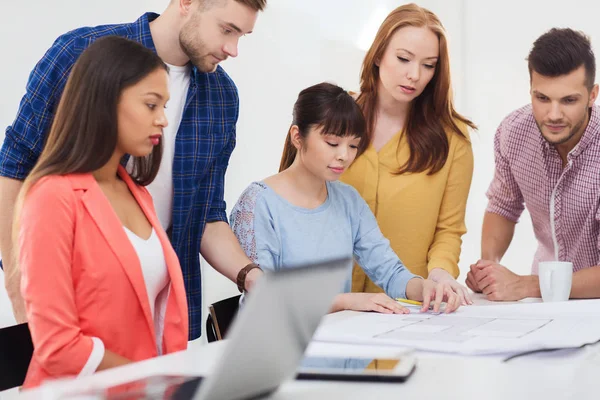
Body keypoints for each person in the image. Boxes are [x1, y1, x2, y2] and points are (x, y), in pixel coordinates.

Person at [0, 0, 267, 339]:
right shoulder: (79, 53)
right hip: (79, 311)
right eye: (227, 30)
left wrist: (249, 275)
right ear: (187, 3)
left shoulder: (222, 96)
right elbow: (14, 167)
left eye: (242, 35)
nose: (233, 49)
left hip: (166, 317)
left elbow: (207, 213)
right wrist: (17, 289)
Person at [15, 36, 188, 388]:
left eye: (164, 107)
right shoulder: (52, 198)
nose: (162, 121)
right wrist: (153, 381)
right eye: (151, 105)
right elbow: (58, 347)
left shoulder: (139, 194)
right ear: (105, 102)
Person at [230, 82, 461, 314]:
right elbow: (266, 297)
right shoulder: (258, 204)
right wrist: (346, 301)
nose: (344, 156)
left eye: (353, 145)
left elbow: (389, 271)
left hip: (338, 340)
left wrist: (425, 288)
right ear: (297, 137)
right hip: (280, 346)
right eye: (332, 143)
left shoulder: (348, 200)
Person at [340, 3, 476, 305]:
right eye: (403, 59)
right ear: (378, 54)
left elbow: (448, 230)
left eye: (429, 65)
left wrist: (440, 273)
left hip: (407, 308)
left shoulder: (453, 139)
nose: (414, 75)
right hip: (331, 308)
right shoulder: (334, 119)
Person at [466, 28, 600, 301]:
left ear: (592, 95)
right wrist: (488, 270)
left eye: (569, 100)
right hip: (542, 306)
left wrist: (531, 286)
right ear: (530, 90)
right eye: (542, 98)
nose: (553, 114)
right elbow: (502, 207)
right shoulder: (513, 133)